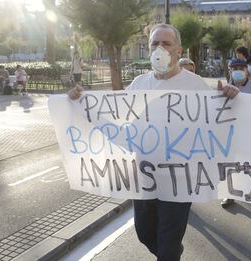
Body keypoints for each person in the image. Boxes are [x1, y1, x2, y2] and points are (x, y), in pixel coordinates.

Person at [68, 23, 240, 261]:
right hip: (146, 177)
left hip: (180, 180)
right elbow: (118, 118)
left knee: (167, 246)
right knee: (144, 233)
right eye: (154, 43)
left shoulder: (196, 84)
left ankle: (170, 253)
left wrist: (229, 98)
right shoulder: (139, 84)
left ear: (179, 51)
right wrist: (81, 102)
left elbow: (217, 124)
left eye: (166, 43)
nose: (160, 48)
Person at [220, 58, 251, 208]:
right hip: (229, 132)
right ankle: (228, 194)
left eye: (241, 68)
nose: (238, 71)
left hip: (249, 132)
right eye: (234, 68)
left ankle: (248, 188)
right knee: (228, 163)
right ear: (229, 71)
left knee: (246, 162)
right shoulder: (223, 88)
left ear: (246, 70)